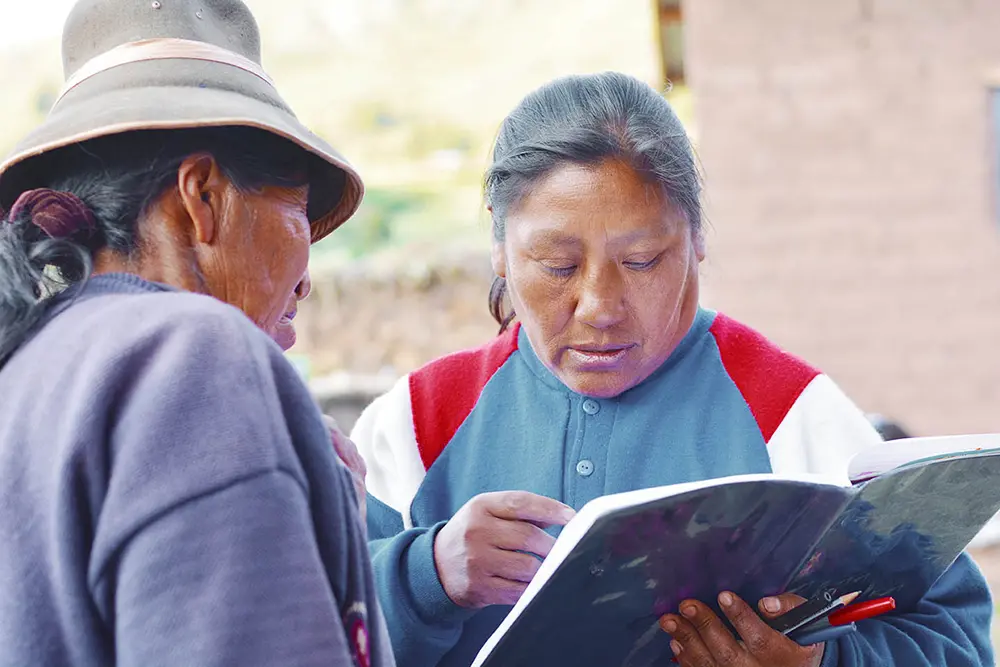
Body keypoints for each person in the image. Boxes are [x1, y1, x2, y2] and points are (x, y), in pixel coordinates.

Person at [351, 72, 993, 667]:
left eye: (643, 260)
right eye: (558, 265)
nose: (600, 308)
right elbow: (298, 630)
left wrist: (822, 661)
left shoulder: (791, 413)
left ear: (698, 238)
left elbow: (958, 641)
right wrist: (424, 576)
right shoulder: (413, 425)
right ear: (498, 244)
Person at [0, 1, 393, 666]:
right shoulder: (193, 359)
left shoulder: (31, 367)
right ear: (202, 196)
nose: (306, 283)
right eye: (297, 208)